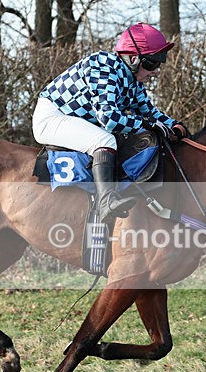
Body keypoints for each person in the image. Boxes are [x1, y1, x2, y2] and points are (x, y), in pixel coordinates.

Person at [32, 22, 189, 223]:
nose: (156, 70)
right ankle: (106, 201)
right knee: (105, 140)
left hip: (74, 118)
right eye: (152, 63)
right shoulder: (103, 66)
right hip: (52, 117)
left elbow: (149, 112)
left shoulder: (134, 81)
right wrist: (145, 124)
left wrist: (175, 125)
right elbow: (109, 119)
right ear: (133, 58)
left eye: (160, 62)